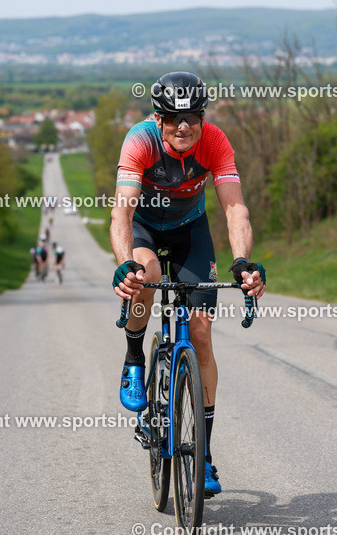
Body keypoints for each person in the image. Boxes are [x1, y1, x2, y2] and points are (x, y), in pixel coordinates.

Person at [110, 71, 266, 496]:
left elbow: (235, 209)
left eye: (192, 116)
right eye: (174, 117)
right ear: (158, 119)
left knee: (200, 333)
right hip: (144, 229)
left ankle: (206, 457)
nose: (184, 126)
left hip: (190, 231)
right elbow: (122, 212)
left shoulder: (215, 141)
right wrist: (125, 264)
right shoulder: (139, 141)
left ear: (201, 117)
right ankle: (134, 359)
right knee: (148, 276)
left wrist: (242, 261)